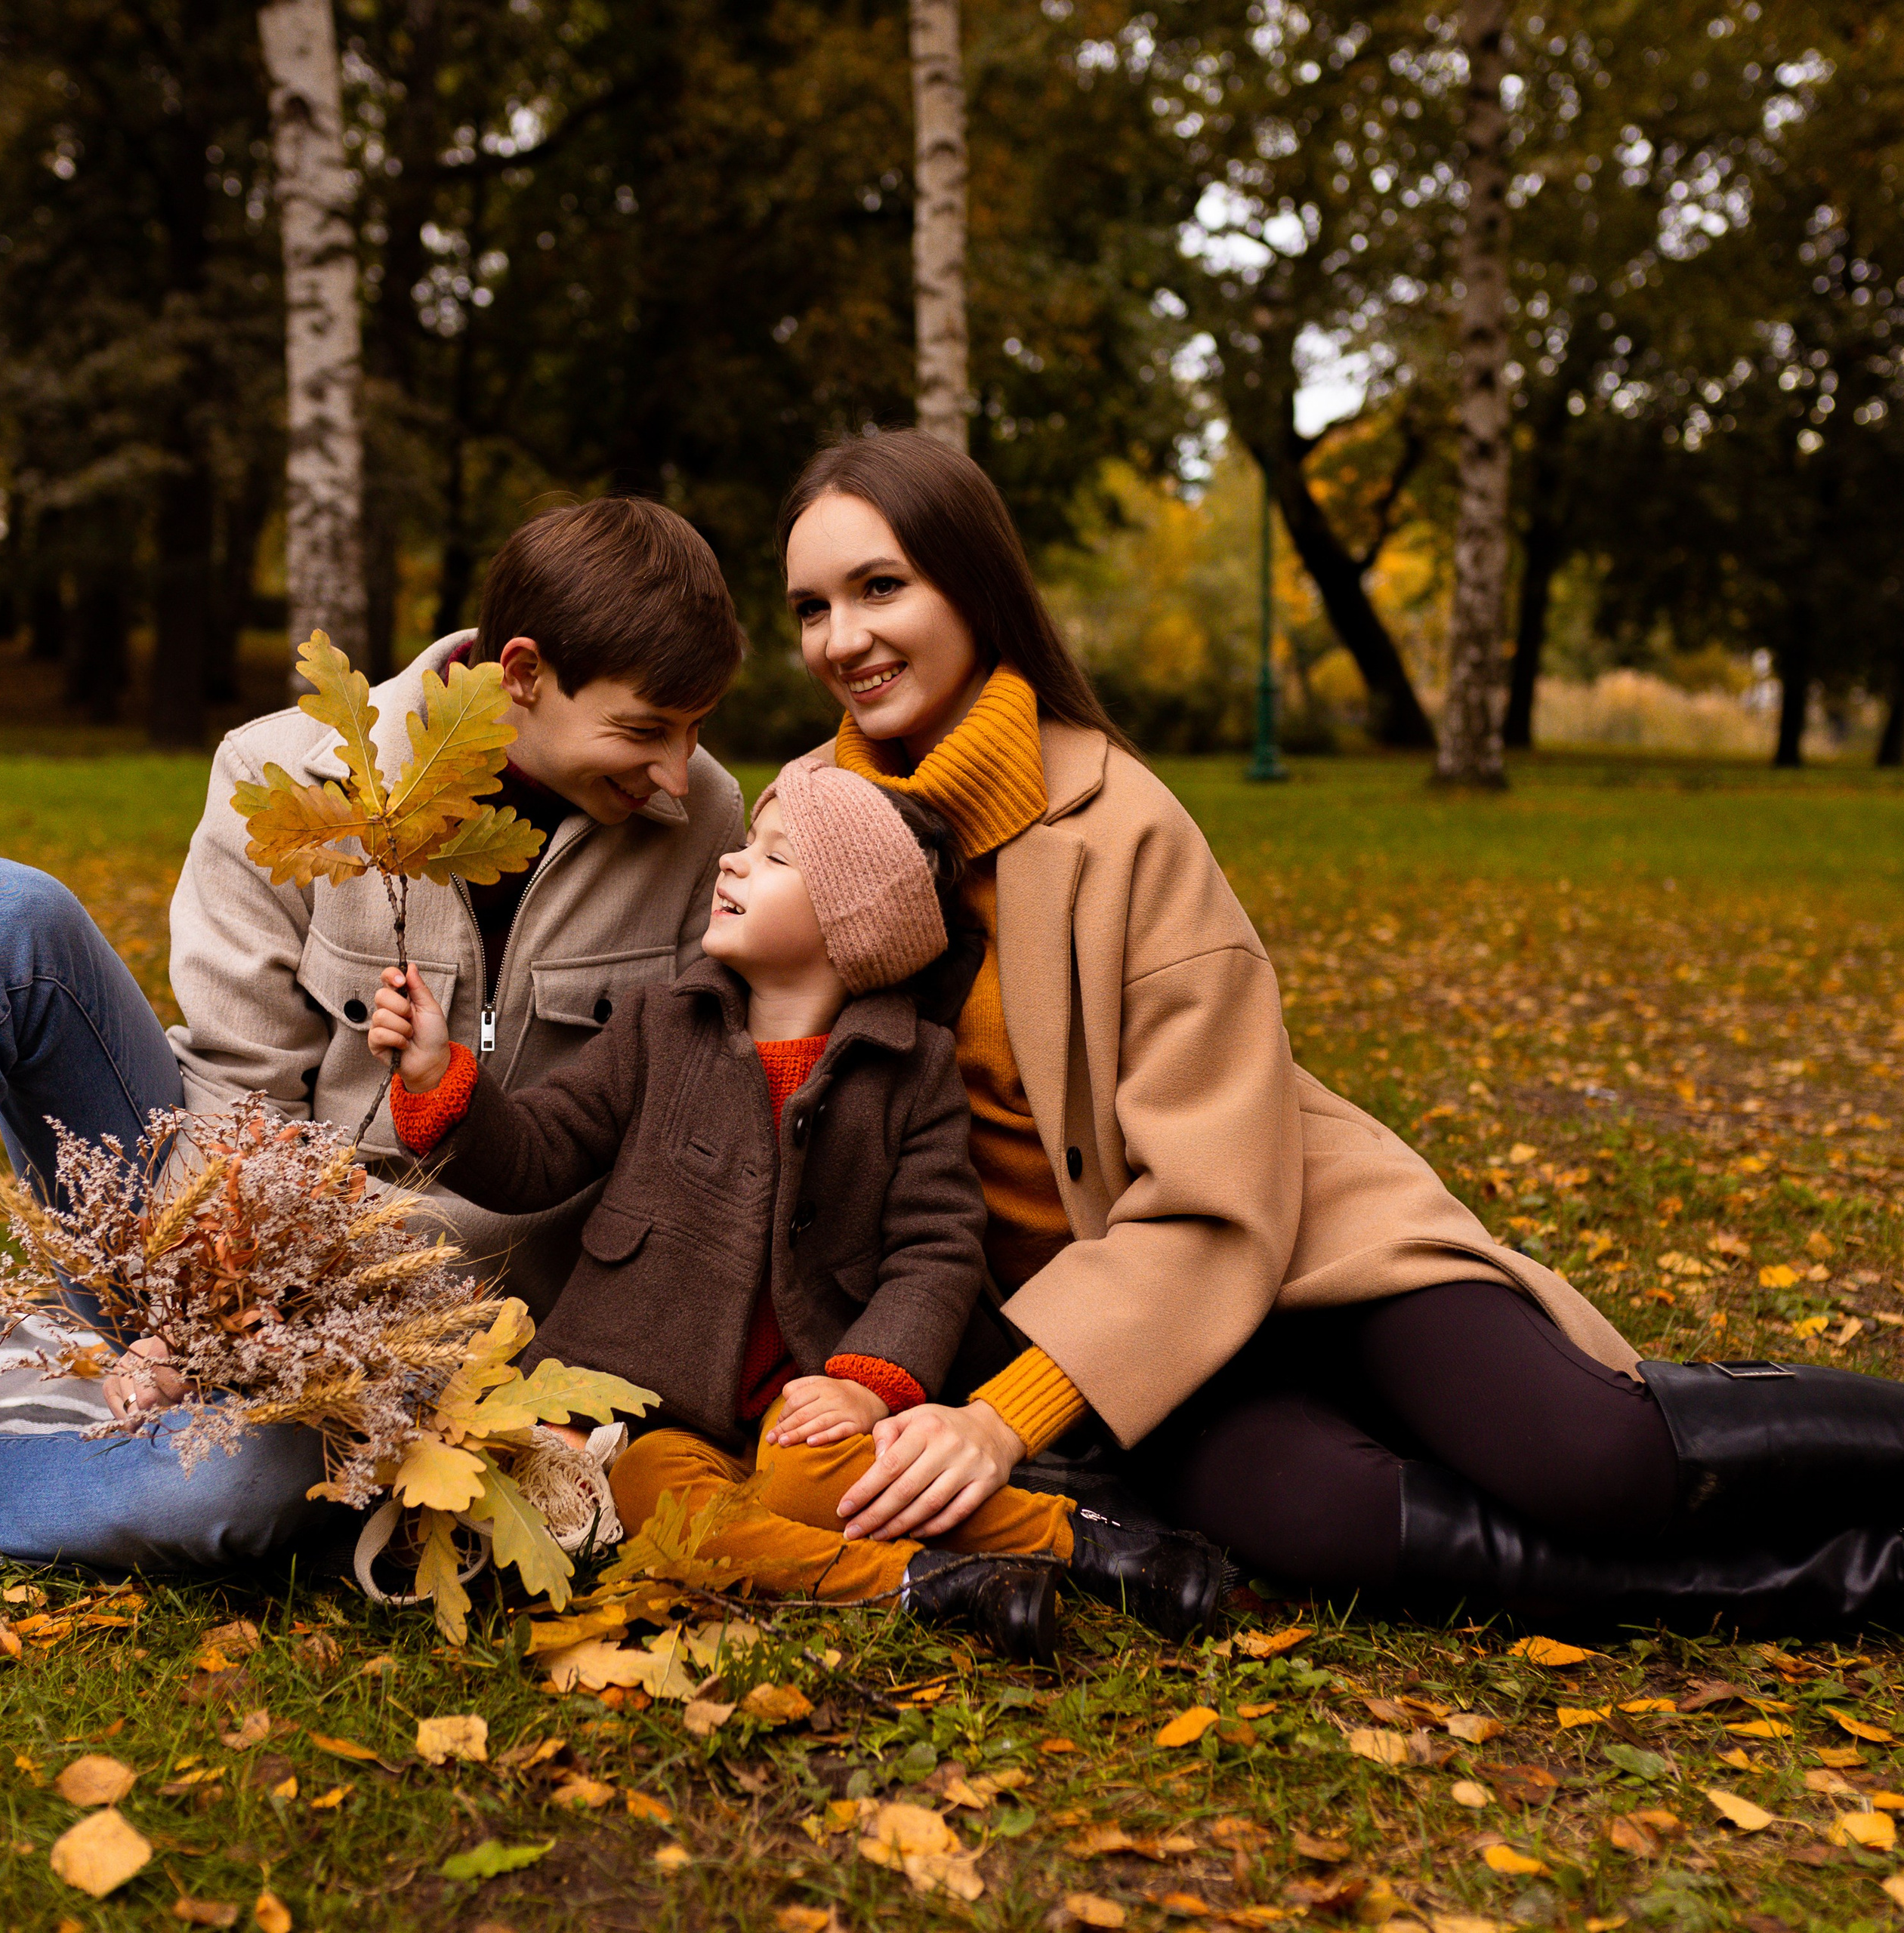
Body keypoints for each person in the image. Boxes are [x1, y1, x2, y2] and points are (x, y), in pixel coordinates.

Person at [773, 427, 1904, 1632]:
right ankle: (1866, 1580)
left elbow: (1216, 1188)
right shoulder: (791, 836)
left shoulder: (1123, 829)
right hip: (1139, 1344)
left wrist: (1008, 1415)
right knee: (1323, 1528)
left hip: (1301, 1238)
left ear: (975, 586)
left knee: (1588, 1462)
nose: (843, 640)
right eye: (809, 608)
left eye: (880, 587)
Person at [0, 496, 747, 1569]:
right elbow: (238, 1093)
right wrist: (216, 1312)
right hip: (217, 1244)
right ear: (521, 673)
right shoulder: (280, 771)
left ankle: (41, 1475)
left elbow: (670, 1145)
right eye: (646, 730)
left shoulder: (705, 822)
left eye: (699, 728)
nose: (677, 771)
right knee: (0, 917)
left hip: (436, 1335)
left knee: (235, 1489)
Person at [369, 757, 1222, 1661]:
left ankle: (1086, 1542)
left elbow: (936, 1248)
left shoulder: (910, 1070)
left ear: (852, 924)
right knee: (657, 1499)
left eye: (774, 859)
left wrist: (868, 1379)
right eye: (743, 847)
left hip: (807, 1404)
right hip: (662, 1408)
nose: (732, 864)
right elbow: (539, 1154)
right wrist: (439, 1079)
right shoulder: (662, 1025)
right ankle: (933, 1584)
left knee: (816, 1474)